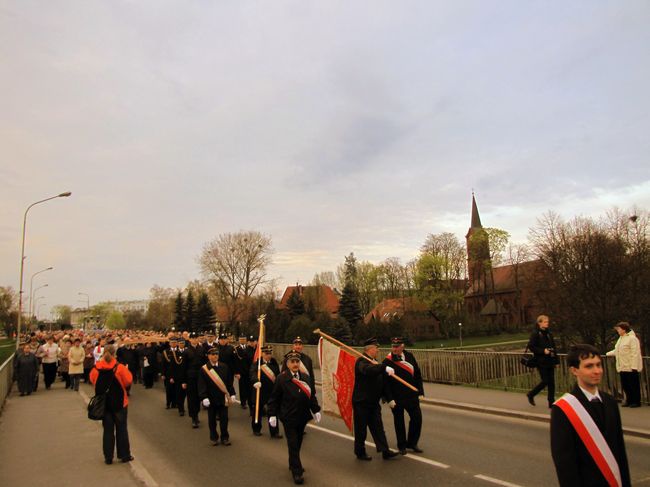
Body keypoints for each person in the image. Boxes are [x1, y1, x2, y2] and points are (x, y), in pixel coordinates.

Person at [551, 344, 630, 486]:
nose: (597, 371)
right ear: (574, 370)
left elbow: (620, 451)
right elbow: (565, 463)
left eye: (599, 365)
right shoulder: (563, 409)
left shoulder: (610, 401)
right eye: (589, 366)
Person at [268, 351, 321, 485]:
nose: (295, 364)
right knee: (292, 443)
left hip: (302, 416)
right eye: (292, 362)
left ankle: (293, 462)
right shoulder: (281, 378)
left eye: (297, 361)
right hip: (288, 417)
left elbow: (311, 395)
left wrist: (316, 410)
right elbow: (274, 398)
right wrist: (272, 414)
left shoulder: (305, 377)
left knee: (298, 442)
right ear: (287, 364)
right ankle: (297, 472)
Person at [352, 338, 398, 461]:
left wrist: (389, 399)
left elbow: (383, 384)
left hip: (373, 402)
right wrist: (383, 367)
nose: (377, 350)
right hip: (361, 402)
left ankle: (385, 451)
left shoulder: (375, 362)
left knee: (378, 427)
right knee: (361, 429)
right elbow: (368, 370)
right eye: (376, 348)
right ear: (370, 349)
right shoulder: (361, 362)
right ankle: (360, 452)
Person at [90, 345, 134, 465]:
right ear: (114, 354)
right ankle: (124, 455)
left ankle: (108, 457)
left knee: (108, 430)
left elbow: (93, 380)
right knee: (122, 429)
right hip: (120, 402)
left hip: (104, 404)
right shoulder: (119, 368)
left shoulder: (96, 368)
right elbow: (128, 381)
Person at [382, 337, 425, 454]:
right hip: (397, 398)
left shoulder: (410, 356)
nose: (394, 349)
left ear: (402, 346)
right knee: (399, 422)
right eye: (393, 346)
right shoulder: (387, 362)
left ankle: (412, 443)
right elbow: (384, 383)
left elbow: (417, 374)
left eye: (397, 347)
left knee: (417, 419)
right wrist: (388, 398)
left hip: (411, 395)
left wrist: (420, 391)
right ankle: (402, 446)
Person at [198, 347, 236, 446]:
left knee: (224, 419)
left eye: (217, 354)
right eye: (213, 354)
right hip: (211, 398)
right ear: (209, 356)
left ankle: (225, 437)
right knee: (212, 420)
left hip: (222, 398)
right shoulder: (204, 369)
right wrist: (204, 397)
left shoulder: (224, 367)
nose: (215, 356)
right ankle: (214, 437)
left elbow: (229, 383)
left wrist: (232, 393)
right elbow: (202, 384)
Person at [606, 322, 643, 408]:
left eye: (619, 329)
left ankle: (636, 401)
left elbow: (635, 353)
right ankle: (629, 400)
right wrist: (607, 353)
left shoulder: (632, 339)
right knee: (626, 385)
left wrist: (634, 366)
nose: (618, 331)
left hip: (630, 366)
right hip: (622, 366)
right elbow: (617, 350)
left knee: (633, 385)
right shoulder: (621, 339)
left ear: (624, 329)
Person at [250, 345, 282, 438]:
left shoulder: (274, 362)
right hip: (260, 390)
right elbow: (252, 372)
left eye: (270, 353)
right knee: (258, 411)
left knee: (273, 412)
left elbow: (277, 375)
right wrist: (255, 380)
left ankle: (274, 432)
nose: (268, 355)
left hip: (271, 391)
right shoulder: (257, 363)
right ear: (262, 353)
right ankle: (256, 429)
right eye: (266, 353)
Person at [526, 315, 558, 408]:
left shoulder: (549, 333)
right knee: (545, 381)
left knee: (552, 382)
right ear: (539, 323)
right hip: (541, 361)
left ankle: (551, 402)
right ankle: (531, 394)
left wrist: (556, 361)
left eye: (547, 321)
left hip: (550, 361)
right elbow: (531, 346)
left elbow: (554, 347)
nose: (547, 323)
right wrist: (542, 351)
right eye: (545, 322)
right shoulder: (536, 333)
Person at [185, 333, 206, 428]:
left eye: (196, 338)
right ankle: (193, 417)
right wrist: (184, 381)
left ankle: (196, 414)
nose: (194, 340)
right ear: (190, 339)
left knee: (198, 396)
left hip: (200, 376)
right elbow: (183, 367)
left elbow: (205, 363)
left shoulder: (201, 349)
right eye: (192, 338)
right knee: (192, 397)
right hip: (190, 377)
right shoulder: (186, 351)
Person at [235, 334, 254, 409]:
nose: (242, 340)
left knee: (250, 387)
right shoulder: (236, 349)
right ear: (239, 340)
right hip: (241, 371)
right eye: (241, 339)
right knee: (242, 387)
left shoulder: (249, 348)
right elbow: (236, 361)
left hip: (249, 371)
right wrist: (237, 372)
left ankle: (250, 401)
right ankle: (243, 402)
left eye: (244, 339)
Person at [161, 337, 179, 410]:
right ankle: (168, 403)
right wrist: (163, 374)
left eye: (175, 342)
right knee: (169, 390)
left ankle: (175, 403)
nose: (173, 344)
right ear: (169, 343)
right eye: (172, 342)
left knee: (176, 389)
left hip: (177, 374)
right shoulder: (166, 352)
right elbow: (163, 364)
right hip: (168, 374)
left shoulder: (179, 351)